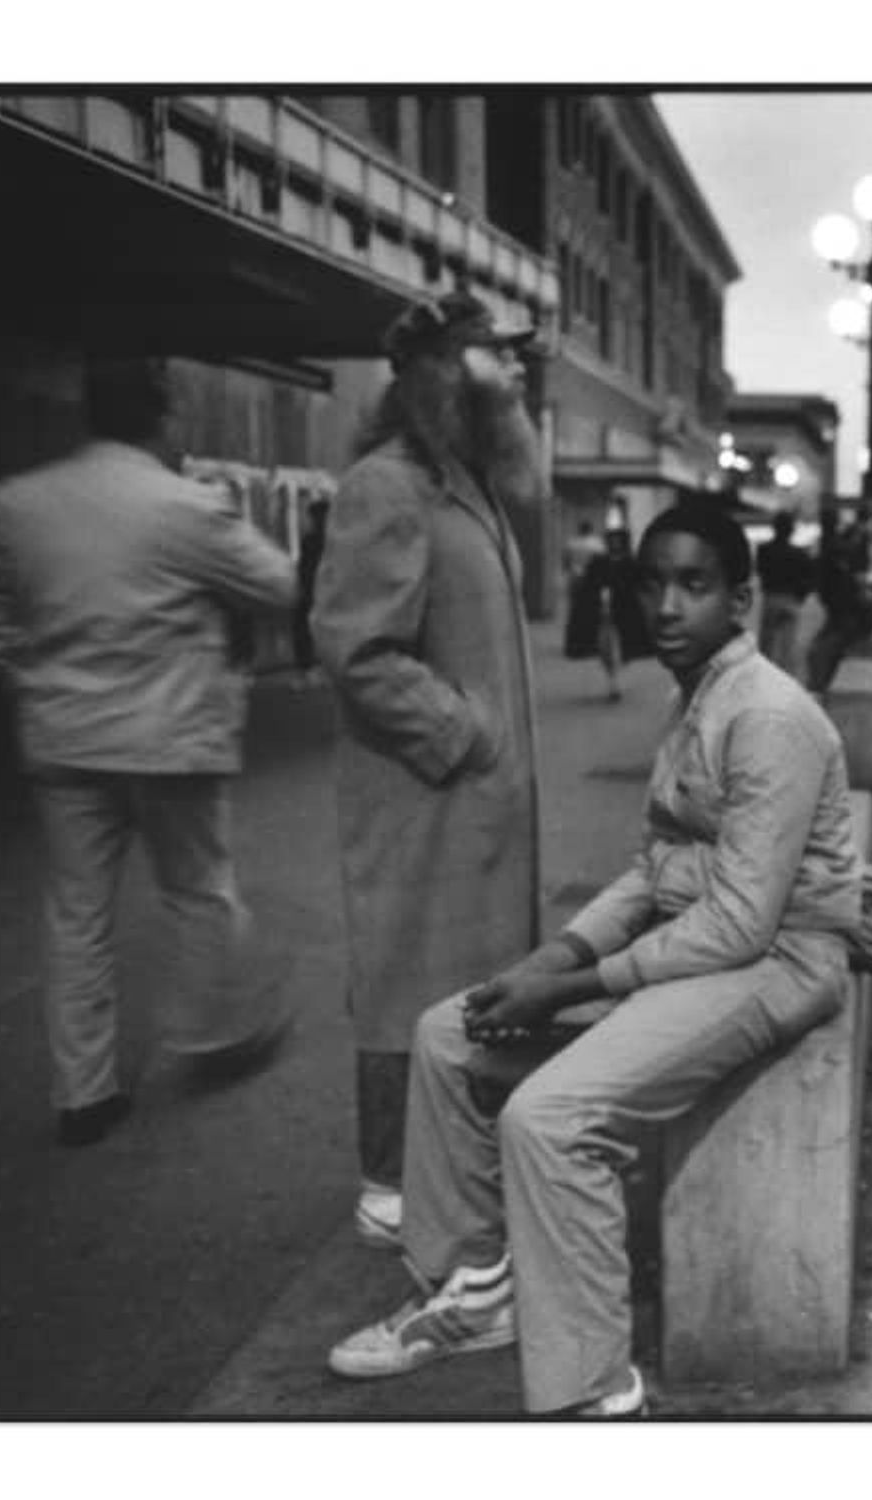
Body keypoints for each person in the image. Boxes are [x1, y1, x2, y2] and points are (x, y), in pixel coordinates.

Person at [325, 500, 861, 1416]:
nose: (665, 606)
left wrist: (571, 986)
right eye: (650, 584)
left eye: (694, 586)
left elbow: (739, 923)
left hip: (779, 960)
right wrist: (550, 964)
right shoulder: (693, 695)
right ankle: (476, 1289)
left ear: (740, 600)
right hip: (705, 944)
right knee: (448, 1035)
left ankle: (597, 1395)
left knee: (552, 1118)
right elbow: (654, 872)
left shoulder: (768, 714)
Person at [0, 357, 299, 1146]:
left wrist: (40, 675)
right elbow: (279, 585)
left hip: (64, 742)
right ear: (163, 417)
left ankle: (84, 1092)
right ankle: (215, 1034)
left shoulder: (15, 504)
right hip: (170, 740)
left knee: (76, 915)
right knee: (199, 890)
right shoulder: (185, 506)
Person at [309, 289, 545, 1251]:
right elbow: (356, 648)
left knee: (465, 983)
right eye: (500, 353)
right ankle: (390, 1187)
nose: (520, 368)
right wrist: (464, 731)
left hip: (472, 804)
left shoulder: (463, 479)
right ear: (447, 369)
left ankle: (447, 1173)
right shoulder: (389, 484)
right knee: (411, 984)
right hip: (422, 797)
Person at [804, 517, 872, 694]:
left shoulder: (843, 556)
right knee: (825, 649)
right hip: (843, 610)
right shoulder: (841, 556)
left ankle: (819, 685)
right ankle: (819, 685)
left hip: (843, 611)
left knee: (825, 649)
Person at [589, 526, 648, 702]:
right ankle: (613, 681)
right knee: (605, 650)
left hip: (622, 615)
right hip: (603, 615)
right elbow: (591, 587)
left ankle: (615, 685)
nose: (615, 543)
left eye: (618, 540)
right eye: (612, 539)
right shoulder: (601, 562)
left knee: (617, 650)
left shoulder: (629, 563)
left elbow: (637, 587)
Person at [754, 510, 814, 679]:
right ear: (791, 531)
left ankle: (763, 679)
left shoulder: (764, 550)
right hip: (791, 600)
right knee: (787, 647)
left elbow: (761, 571)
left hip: (771, 598)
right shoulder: (799, 554)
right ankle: (784, 682)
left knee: (767, 645)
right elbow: (809, 577)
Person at [293, 497, 330, 674]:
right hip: (322, 590)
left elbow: (303, 567)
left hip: (312, 590)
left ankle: (307, 664)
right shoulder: (329, 539)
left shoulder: (311, 540)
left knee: (303, 627)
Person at [560, 520, 605, 660]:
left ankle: (574, 643)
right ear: (590, 530)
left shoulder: (571, 544)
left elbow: (565, 563)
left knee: (574, 612)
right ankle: (591, 644)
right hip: (592, 581)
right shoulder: (597, 544)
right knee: (592, 613)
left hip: (575, 579)